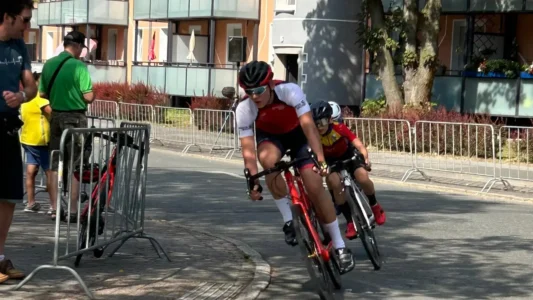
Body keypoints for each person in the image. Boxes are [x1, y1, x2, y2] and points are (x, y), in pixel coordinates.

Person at [235, 61, 355, 274]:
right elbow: (248, 153)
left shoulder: (289, 91)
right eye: (249, 91)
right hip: (272, 138)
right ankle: (289, 220)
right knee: (267, 162)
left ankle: (340, 246)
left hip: (299, 135)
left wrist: (321, 160)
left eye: (259, 90)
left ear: (270, 84)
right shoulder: (244, 109)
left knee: (314, 184)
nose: (255, 96)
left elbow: (310, 128)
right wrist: (253, 182)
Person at [39, 30, 95, 222]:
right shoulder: (79, 67)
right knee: (76, 165)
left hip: (55, 117)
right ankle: (72, 210)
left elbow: (42, 94)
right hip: (76, 119)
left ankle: (54, 208)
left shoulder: (49, 64)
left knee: (54, 163)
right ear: (78, 46)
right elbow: (89, 96)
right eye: (82, 49)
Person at [310, 101, 386, 240]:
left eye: (321, 121)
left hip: (348, 155)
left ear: (329, 119)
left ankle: (375, 205)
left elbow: (358, 144)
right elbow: (315, 155)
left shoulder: (339, 128)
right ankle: (350, 222)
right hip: (331, 162)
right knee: (334, 183)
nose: (319, 126)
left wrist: (366, 158)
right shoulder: (314, 136)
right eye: (315, 123)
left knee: (362, 176)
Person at [0, 0, 37, 283]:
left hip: (9, 129)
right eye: (24, 20)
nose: (28, 26)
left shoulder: (19, 46)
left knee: (10, 196)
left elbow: (31, 86)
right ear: (6, 17)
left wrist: (21, 97)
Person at [20, 72, 54, 213]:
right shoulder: (41, 99)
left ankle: (31, 202)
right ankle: (54, 205)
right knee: (50, 172)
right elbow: (53, 113)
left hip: (27, 138)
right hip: (41, 140)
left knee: (30, 171)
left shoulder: (25, 97)